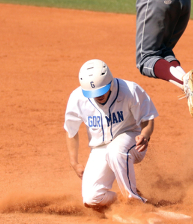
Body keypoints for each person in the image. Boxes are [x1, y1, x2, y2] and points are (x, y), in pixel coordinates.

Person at [64, 59, 158, 209]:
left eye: (102, 90)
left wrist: (145, 135)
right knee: (92, 199)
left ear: (110, 81)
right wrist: (74, 162)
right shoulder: (78, 98)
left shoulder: (130, 90)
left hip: (131, 140)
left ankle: (134, 202)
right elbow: (71, 131)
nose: (98, 95)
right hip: (100, 148)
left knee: (115, 150)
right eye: (93, 92)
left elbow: (147, 119)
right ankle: (127, 196)